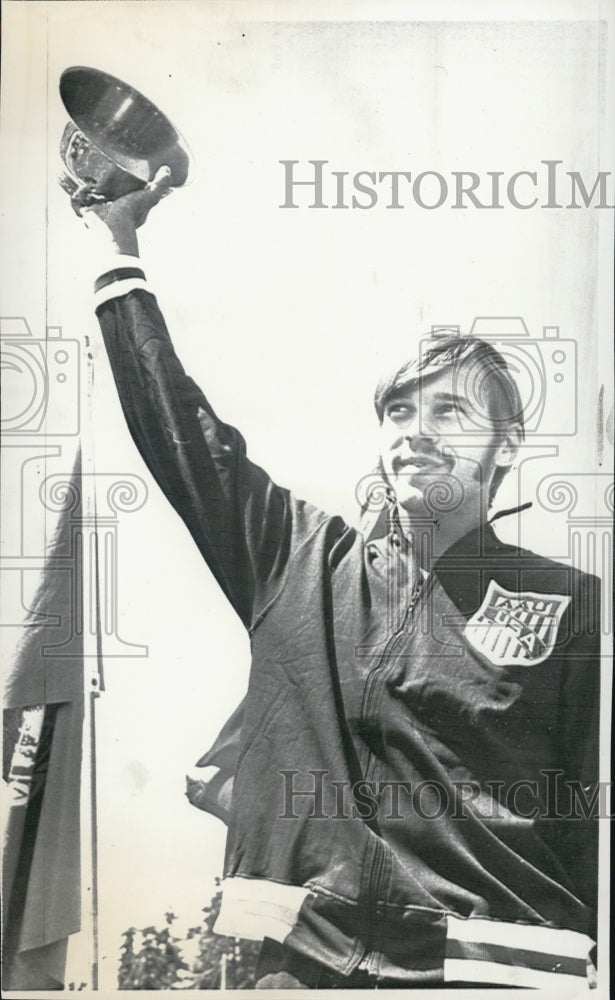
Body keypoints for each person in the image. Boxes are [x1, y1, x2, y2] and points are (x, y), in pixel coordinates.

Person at [75, 169, 600, 989]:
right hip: (304, 967)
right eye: (398, 412)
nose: (416, 434)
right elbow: (183, 433)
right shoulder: (299, 561)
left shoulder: (579, 606)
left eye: (450, 413)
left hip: (504, 974)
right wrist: (117, 243)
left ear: (509, 442)